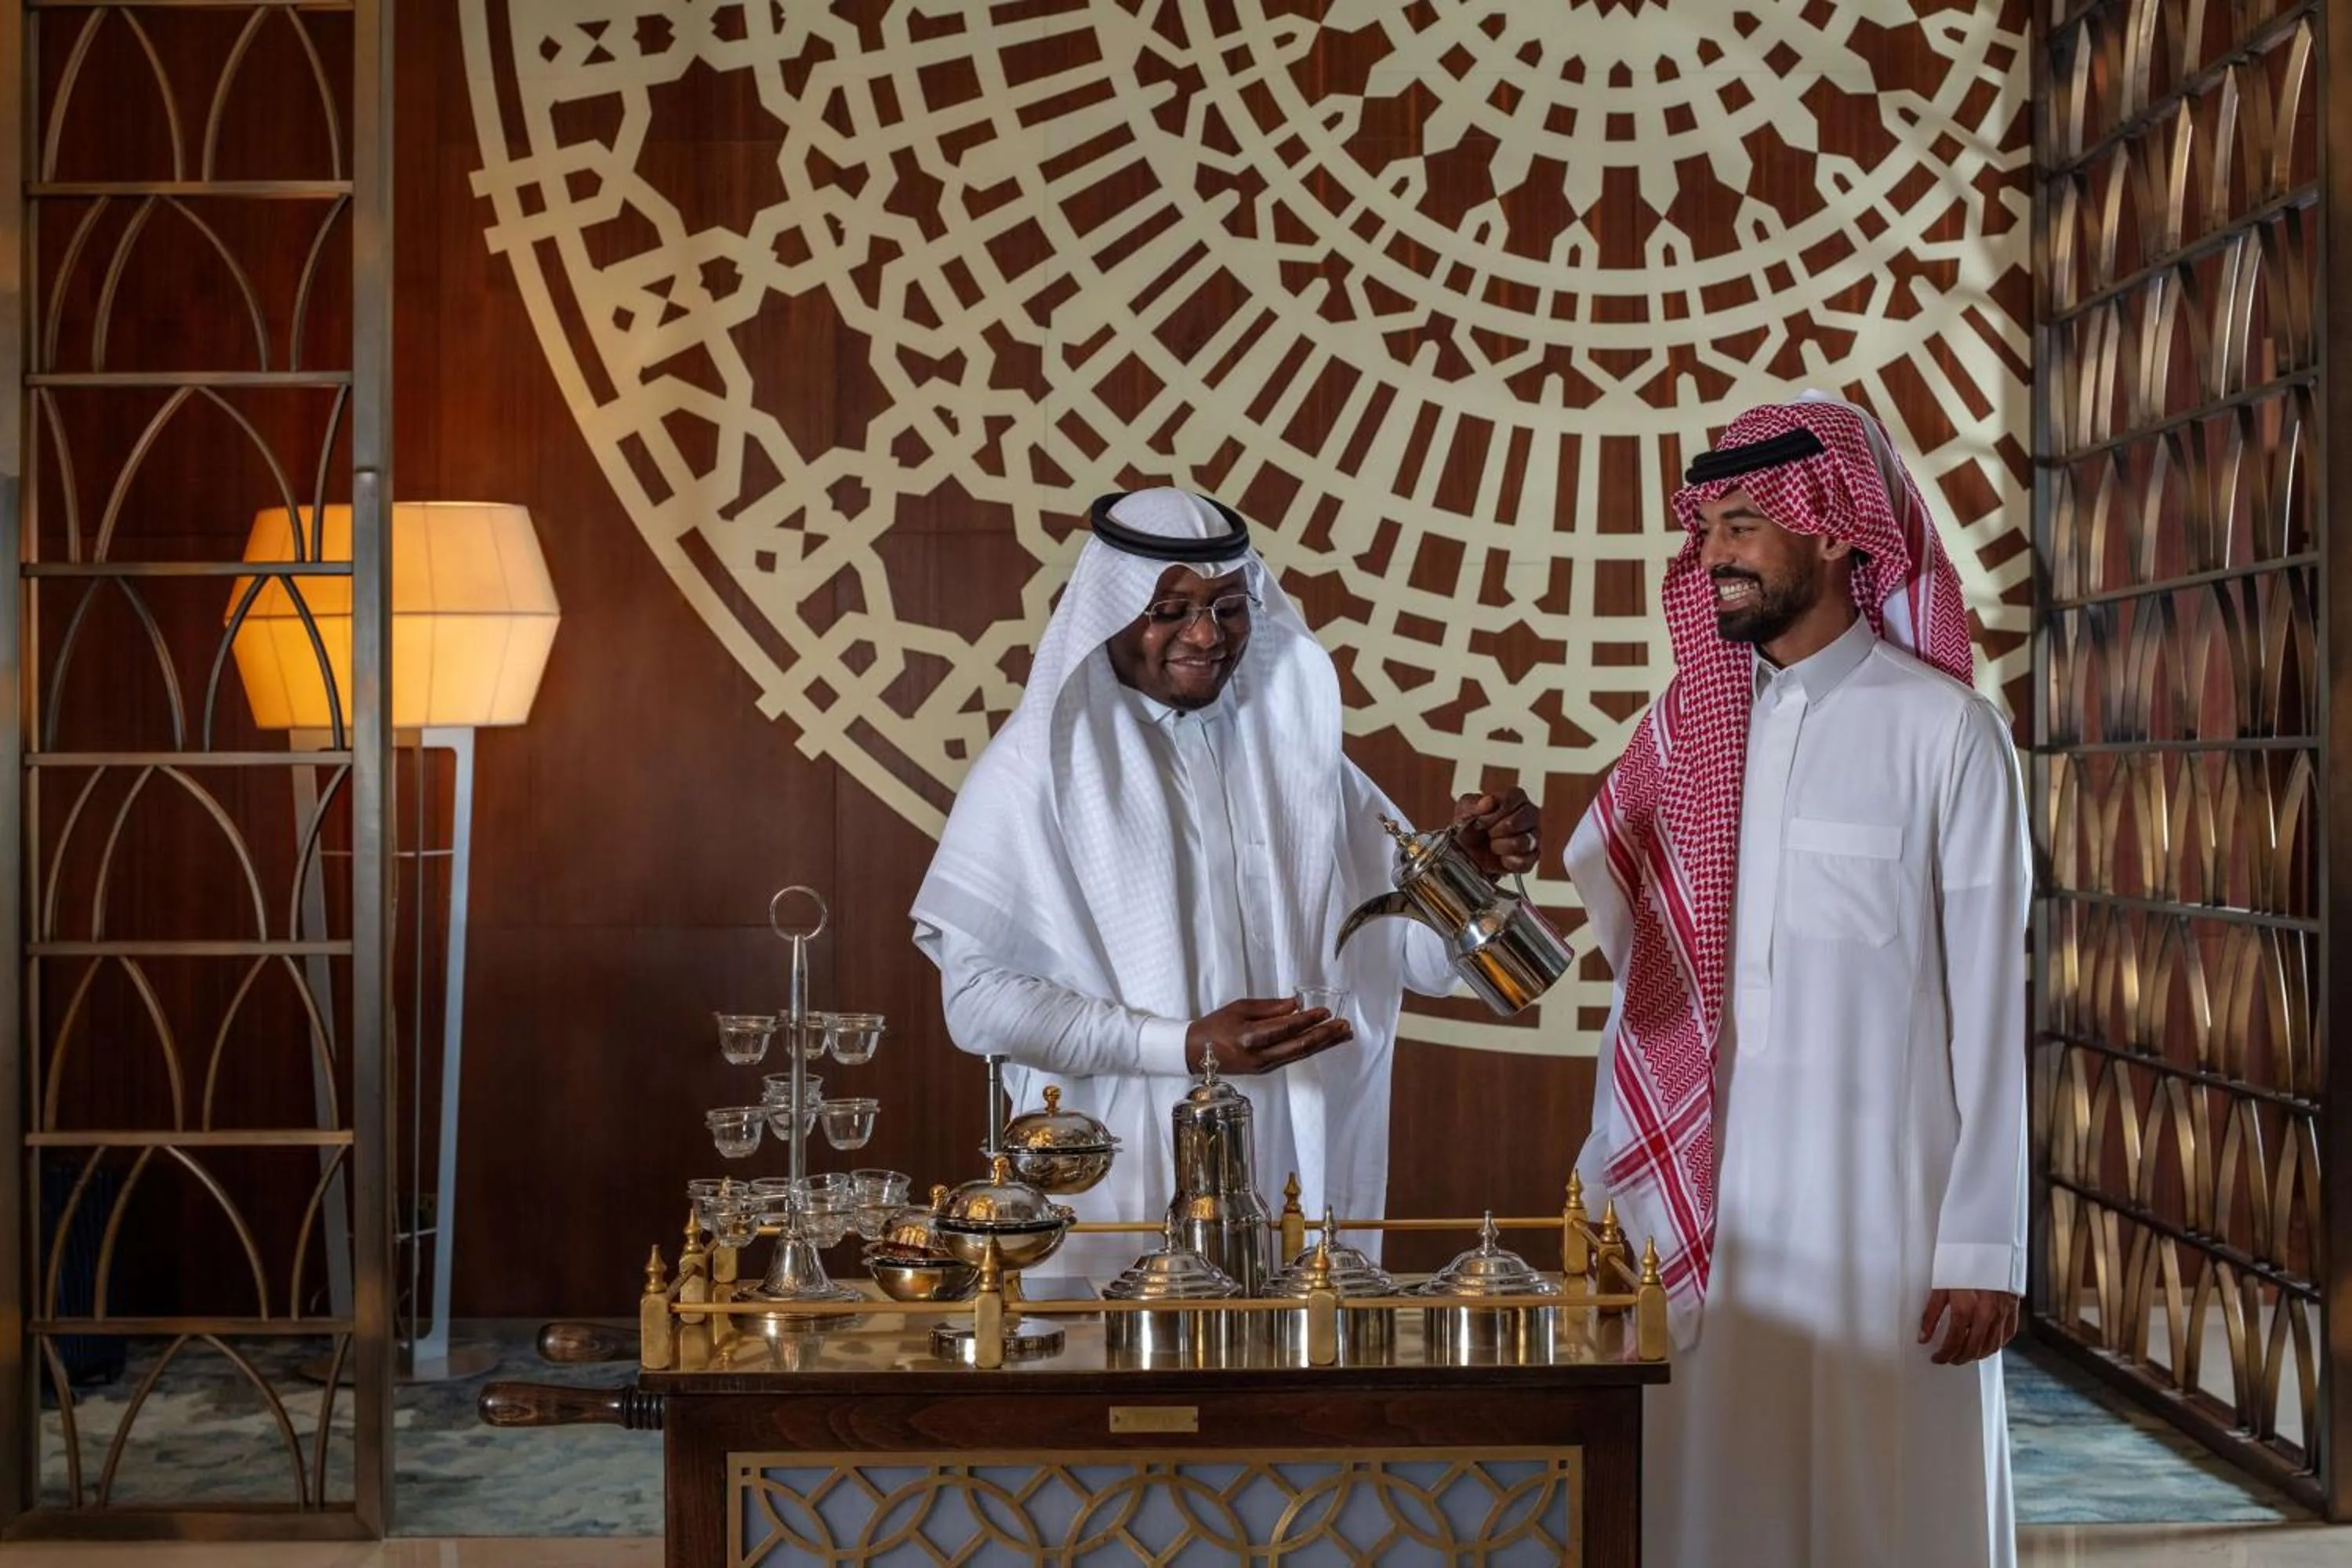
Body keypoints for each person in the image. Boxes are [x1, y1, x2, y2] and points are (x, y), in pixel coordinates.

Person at [1564, 397, 2029, 1567]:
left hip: (1890, 1203)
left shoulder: (1946, 733)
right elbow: (1635, 943)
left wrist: (1983, 1247)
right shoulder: (1689, 735)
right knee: (1710, 1491)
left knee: (1890, 1494)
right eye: (1706, 529)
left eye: (1741, 526)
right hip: (1719, 1199)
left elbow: (1990, 1008)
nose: (1712, 552)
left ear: (1835, 532)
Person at [912, 487, 1538, 1279]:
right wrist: (1183, 1045)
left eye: (1229, 607)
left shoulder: (1304, 755)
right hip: (1117, 1178)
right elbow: (976, 1001)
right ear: (1111, 608)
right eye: (1169, 608)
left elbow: (1404, 955)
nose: (1206, 634)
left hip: (1294, 1169)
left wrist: (1468, 877)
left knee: (1292, 1401)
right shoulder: (1034, 767)